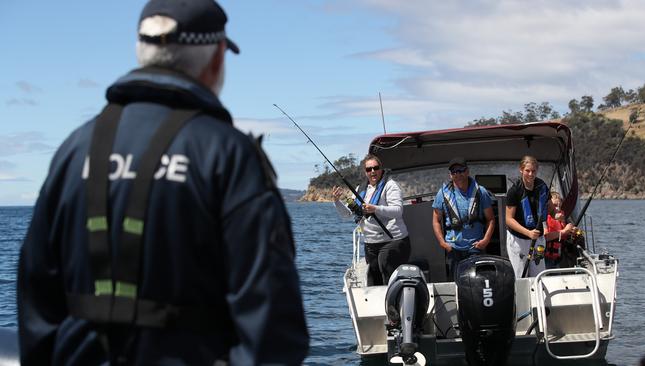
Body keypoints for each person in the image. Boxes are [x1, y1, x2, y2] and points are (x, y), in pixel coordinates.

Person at [17, 1, 309, 365]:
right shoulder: (228, 154)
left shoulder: (74, 150)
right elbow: (272, 326)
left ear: (141, 52)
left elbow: (35, 294)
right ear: (217, 56)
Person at [332, 154, 410, 286]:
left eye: (375, 168)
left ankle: (392, 305)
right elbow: (348, 214)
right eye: (369, 169)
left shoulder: (390, 186)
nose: (372, 171)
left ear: (381, 169)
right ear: (365, 172)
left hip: (393, 241)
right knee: (373, 279)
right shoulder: (360, 189)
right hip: (371, 243)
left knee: (385, 267)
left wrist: (375, 209)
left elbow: (398, 210)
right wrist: (336, 201)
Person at [432, 157, 495, 281]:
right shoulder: (442, 194)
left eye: (461, 170)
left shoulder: (480, 192)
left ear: (467, 171)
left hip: (476, 248)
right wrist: (442, 243)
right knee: (456, 284)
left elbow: (491, 219)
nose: (458, 174)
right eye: (454, 172)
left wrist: (486, 240)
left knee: (478, 283)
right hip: (453, 249)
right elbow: (436, 220)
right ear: (450, 175)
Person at [505, 155, 549, 278]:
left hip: (538, 239)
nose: (530, 174)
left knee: (540, 277)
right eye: (527, 171)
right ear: (521, 170)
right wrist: (528, 233)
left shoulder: (542, 187)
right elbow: (508, 219)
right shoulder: (514, 191)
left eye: (533, 171)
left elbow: (548, 208)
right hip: (518, 240)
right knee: (520, 277)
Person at [544, 191, 576, 269]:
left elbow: (563, 236)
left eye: (559, 205)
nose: (557, 208)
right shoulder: (544, 218)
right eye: (555, 206)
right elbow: (546, 236)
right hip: (546, 258)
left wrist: (570, 232)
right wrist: (564, 231)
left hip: (558, 257)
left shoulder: (562, 218)